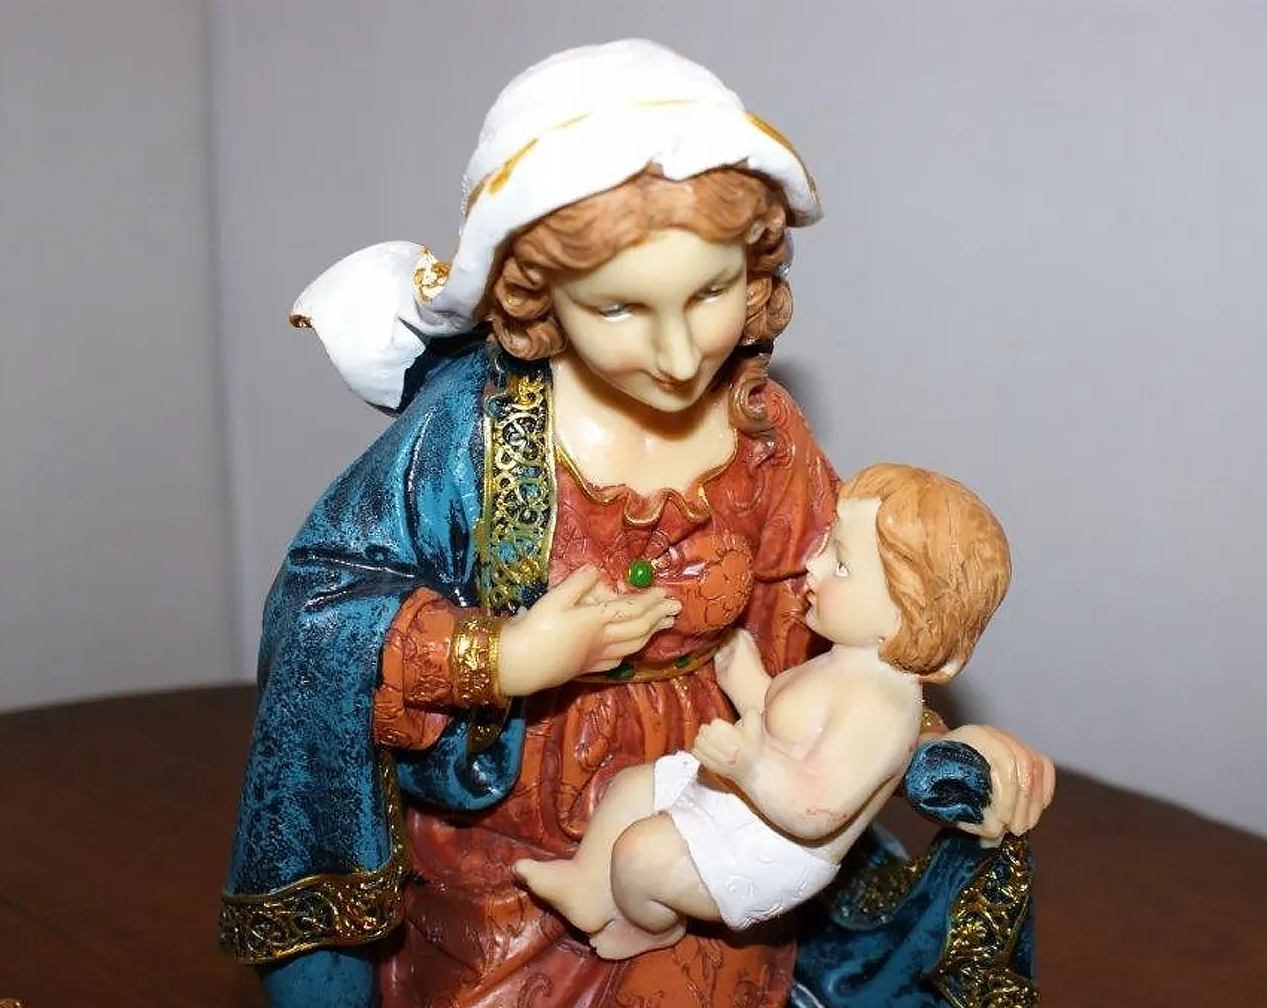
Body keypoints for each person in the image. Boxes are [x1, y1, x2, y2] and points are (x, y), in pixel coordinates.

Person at [219, 38, 1053, 1008]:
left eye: (709, 294)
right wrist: (502, 657)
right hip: (511, 842)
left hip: (716, 827)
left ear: (753, 271)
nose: (678, 353)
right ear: (538, 299)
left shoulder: (763, 435)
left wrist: (932, 744)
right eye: (620, 309)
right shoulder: (470, 439)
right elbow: (319, 610)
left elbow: (850, 631)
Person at [515, 463, 1012, 962]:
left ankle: (652, 926)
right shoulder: (847, 662)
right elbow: (782, 715)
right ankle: (587, 884)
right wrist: (740, 668)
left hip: (775, 848)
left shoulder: (880, 708)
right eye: (828, 545)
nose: (814, 564)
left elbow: (817, 808)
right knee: (630, 788)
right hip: (743, 798)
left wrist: (752, 767)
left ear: (906, 615)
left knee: (639, 858)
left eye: (841, 564)